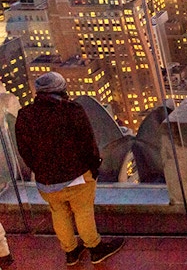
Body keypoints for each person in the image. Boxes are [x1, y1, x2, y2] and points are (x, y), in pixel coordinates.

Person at [15, 72, 125, 266]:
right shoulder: (71, 110)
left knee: (58, 213)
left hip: (46, 181)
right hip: (77, 176)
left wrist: (40, 170)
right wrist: (94, 166)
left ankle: (71, 252)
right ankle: (94, 248)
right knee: (83, 211)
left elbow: (24, 150)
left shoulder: (25, 115)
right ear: (61, 88)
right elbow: (88, 142)